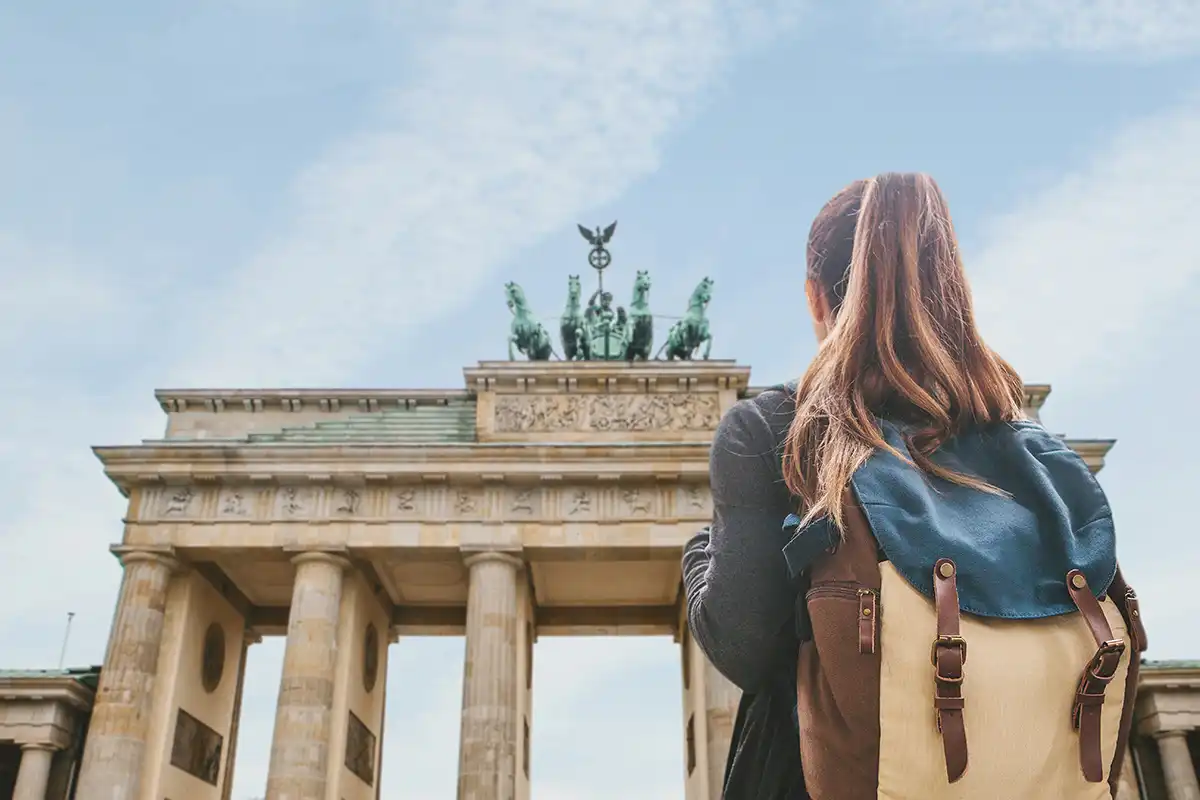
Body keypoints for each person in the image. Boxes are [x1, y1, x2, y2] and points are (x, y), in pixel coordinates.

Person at [682, 173, 1146, 800]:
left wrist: (698, 560)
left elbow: (745, 647)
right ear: (950, 290)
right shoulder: (1036, 454)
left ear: (817, 299)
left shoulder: (779, 430)